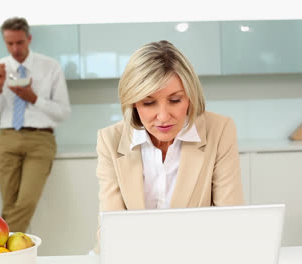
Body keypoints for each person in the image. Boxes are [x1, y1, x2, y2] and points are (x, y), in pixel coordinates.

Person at [94, 40, 244, 251]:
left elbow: (231, 222)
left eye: (175, 100)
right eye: (148, 103)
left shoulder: (219, 131)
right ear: (133, 103)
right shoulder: (110, 140)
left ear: (190, 97)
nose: (163, 117)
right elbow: (110, 230)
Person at [0, 17, 71, 232]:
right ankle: (10, 254)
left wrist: (33, 98)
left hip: (41, 139)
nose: (15, 49)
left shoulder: (50, 67)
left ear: (29, 39)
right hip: (7, 139)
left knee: (25, 203)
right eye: (9, 43)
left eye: (19, 42)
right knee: (10, 206)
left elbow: (63, 113)